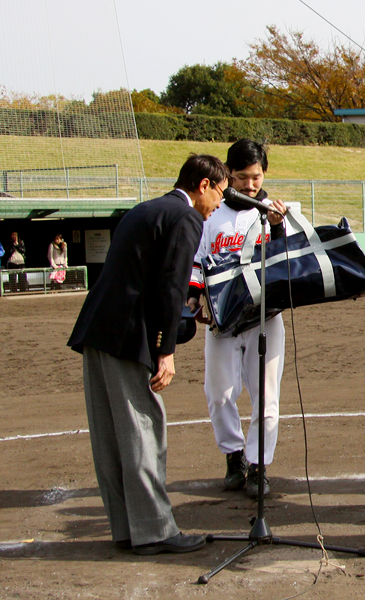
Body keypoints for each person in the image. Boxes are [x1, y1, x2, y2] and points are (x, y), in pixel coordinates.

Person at [67, 154, 228, 555]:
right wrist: (165, 350)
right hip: (127, 337)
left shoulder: (146, 209)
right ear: (203, 185)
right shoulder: (186, 217)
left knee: (110, 437)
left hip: (96, 330)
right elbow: (171, 286)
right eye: (220, 195)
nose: (218, 206)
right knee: (142, 429)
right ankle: (155, 530)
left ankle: (126, 528)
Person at [187, 139, 287, 499]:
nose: (249, 185)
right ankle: (234, 458)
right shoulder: (213, 215)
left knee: (266, 396)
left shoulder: (274, 212)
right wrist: (193, 297)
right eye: (242, 177)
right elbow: (197, 260)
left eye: (256, 177)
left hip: (265, 318)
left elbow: (288, 265)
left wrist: (277, 228)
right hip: (221, 320)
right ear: (227, 174)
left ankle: (259, 465)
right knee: (219, 394)